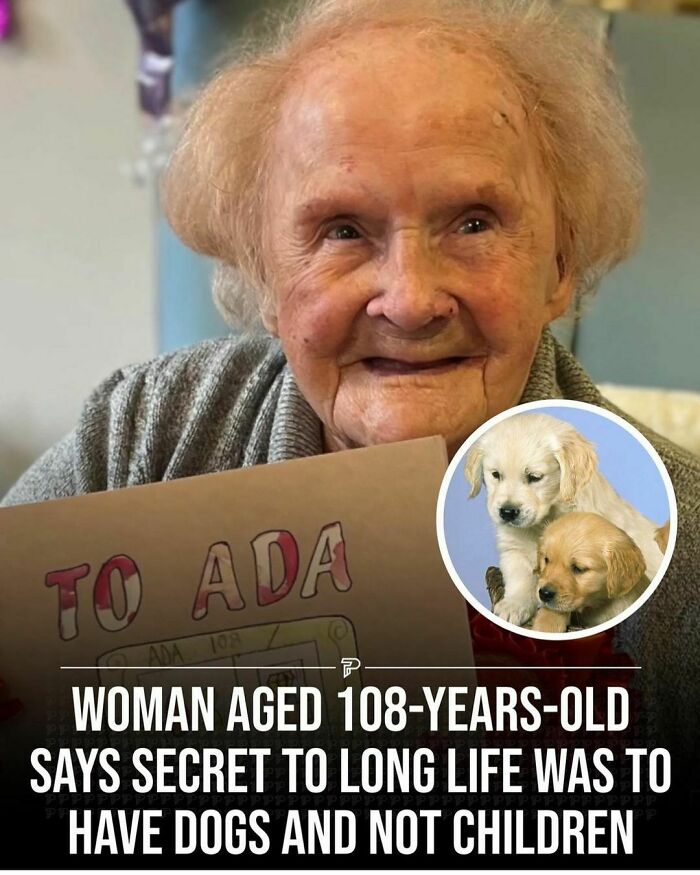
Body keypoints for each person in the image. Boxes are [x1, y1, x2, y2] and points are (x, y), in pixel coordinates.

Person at [2, 0, 698, 778]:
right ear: (263, 277)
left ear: (561, 265)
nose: (409, 299)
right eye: (341, 229)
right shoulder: (142, 439)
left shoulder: (684, 552)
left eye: (473, 222)